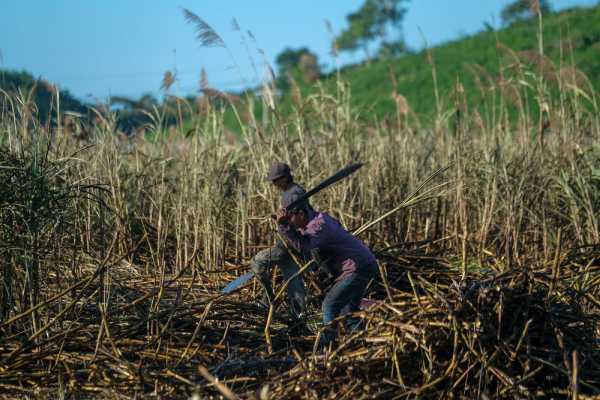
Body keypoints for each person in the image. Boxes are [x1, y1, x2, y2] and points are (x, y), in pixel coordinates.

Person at [275, 204, 378, 348]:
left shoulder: (318, 226)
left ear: (301, 215)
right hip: (364, 264)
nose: (290, 222)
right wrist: (286, 225)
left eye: (290, 218)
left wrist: (284, 227)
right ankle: (359, 343)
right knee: (348, 309)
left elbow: (304, 247)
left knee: (329, 306)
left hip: (356, 268)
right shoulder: (319, 218)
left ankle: (327, 346)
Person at [250, 162, 311, 319]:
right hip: (288, 243)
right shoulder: (290, 192)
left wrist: (284, 222)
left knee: (257, 263)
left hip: (290, 244)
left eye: (275, 180)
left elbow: (301, 220)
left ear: (285, 178)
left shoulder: (294, 194)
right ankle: (298, 314)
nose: (273, 184)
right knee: (292, 277)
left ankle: (270, 301)